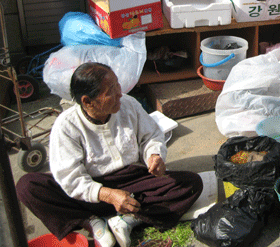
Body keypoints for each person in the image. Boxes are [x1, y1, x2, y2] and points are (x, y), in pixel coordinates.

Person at [16, 62, 203, 247]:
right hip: (88, 189)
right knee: (28, 186)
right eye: (110, 91)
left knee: (191, 183)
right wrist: (107, 195)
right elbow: (70, 178)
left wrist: (153, 155)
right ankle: (90, 221)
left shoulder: (128, 104)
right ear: (87, 102)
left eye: (117, 85)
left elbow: (151, 135)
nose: (119, 93)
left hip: (134, 181)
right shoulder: (66, 126)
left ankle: (127, 221)